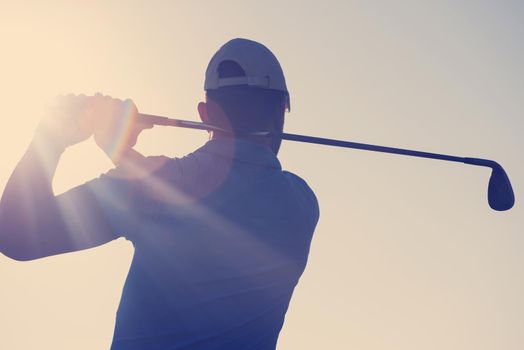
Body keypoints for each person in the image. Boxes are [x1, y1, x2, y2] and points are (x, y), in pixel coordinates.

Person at [0, 38, 319, 349]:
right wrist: (121, 152)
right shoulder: (302, 204)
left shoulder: (148, 186)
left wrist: (51, 137)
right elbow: (194, 195)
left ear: (204, 114)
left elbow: (15, 236)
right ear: (281, 110)